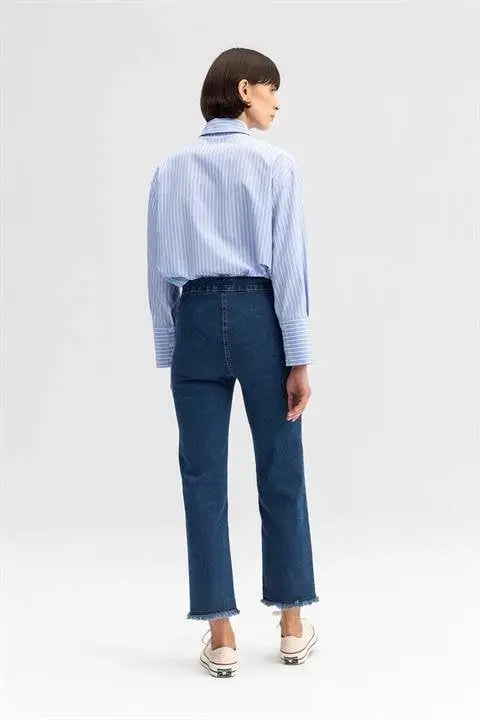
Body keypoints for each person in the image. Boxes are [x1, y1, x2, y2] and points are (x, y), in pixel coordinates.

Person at [147, 47, 318, 677]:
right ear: (245, 90)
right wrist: (298, 355)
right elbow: (289, 267)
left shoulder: (170, 169)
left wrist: (170, 344)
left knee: (202, 478)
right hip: (257, 318)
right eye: (272, 89)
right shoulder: (276, 164)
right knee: (281, 467)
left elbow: (158, 267)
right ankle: (293, 626)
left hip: (193, 317)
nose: (277, 102)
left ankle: (221, 636)